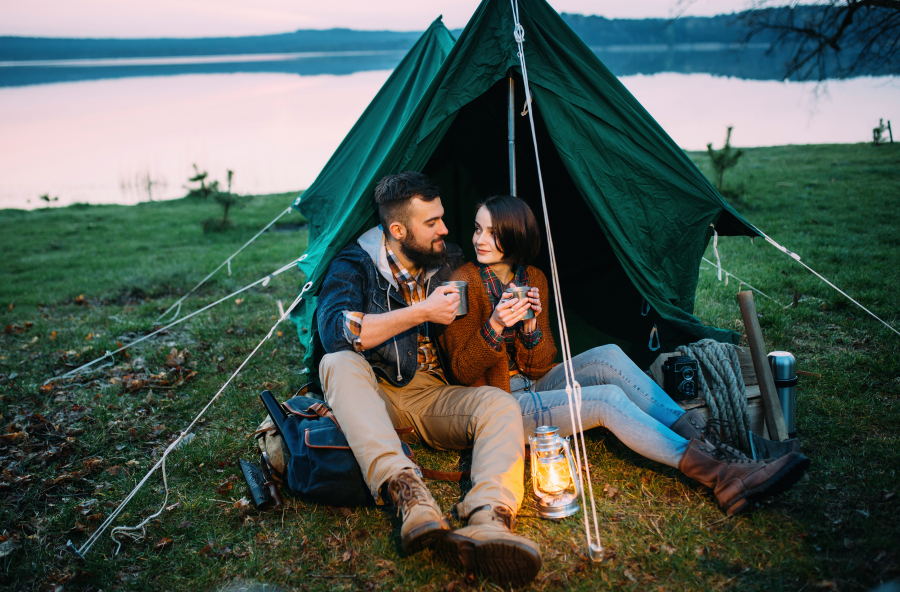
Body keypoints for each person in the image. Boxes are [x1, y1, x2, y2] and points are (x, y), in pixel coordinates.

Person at [438, 195, 810, 516]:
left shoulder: (532, 277)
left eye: (491, 232)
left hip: (534, 385)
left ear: (515, 235)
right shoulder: (463, 281)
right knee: (606, 400)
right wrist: (496, 325)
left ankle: (719, 445)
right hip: (499, 406)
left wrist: (532, 329)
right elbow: (461, 371)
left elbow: (540, 365)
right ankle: (721, 473)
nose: (479, 239)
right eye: (476, 229)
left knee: (608, 355)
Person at [315, 172, 542, 587]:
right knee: (336, 362)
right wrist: (421, 312)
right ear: (398, 230)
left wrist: (516, 310)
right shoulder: (355, 264)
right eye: (432, 223)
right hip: (375, 391)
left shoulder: (446, 258)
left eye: (442, 218)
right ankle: (410, 500)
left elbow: (493, 271)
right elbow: (337, 330)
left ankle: (490, 519)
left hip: (433, 395)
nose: (446, 229)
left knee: (498, 403)